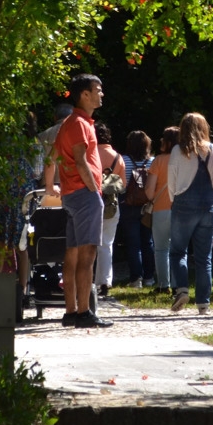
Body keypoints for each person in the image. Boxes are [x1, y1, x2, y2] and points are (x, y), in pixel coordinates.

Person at [52, 74, 113, 328]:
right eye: (97, 90)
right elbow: (80, 159)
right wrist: (93, 189)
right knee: (87, 253)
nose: (101, 94)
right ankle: (84, 312)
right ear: (84, 95)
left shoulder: (71, 122)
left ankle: (71, 312)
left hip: (71, 194)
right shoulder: (79, 123)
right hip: (84, 194)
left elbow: (52, 157)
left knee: (73, 254)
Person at [167, 113, 213, 314]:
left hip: (183, 204)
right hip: (209, 205)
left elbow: (171, 180)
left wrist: (174, 199)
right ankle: (203, 303)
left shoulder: (178, 150)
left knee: (177, 251)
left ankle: (182, 289)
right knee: (204, 257)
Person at [120, 130, 156, 288]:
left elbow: (121, 186)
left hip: (129, 206)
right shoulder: (152, 162)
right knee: (148, 242)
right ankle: (149, 277)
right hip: (147, 206)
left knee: (133, 243)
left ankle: (136, 279)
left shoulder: (124, 160)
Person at [144, 127, 179, 293]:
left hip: (161, 209)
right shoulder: (186, 159)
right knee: (179, 249)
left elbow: (149, 191)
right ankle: (180, 285)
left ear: (168, 142)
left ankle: (163, 285)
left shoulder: (158, 161)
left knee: (161, 249)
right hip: (181, 210)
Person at [94, 122, 126, 298]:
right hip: (111, 205)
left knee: (89, 244)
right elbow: (122, 186)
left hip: (91, 202)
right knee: (107, 244)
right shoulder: (117, 157)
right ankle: (104, 281)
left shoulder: (90, 154)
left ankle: (88, 280)